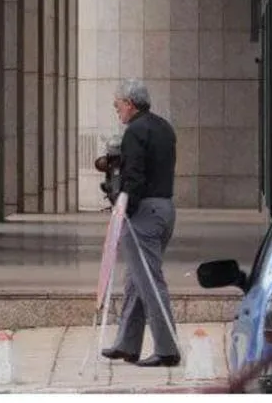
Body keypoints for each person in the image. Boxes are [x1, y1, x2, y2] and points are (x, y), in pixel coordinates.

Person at [101, 78, 181, 368]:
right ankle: (127, 343)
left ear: (130, 103)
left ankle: (167, 349)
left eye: (118, 105)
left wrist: (122, 205)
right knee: (136, 279)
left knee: (149, 281)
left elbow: (134, 177)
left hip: (143, 211)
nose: (117, 110)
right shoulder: (164, 127)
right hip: (165, 208)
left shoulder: (135, 131)